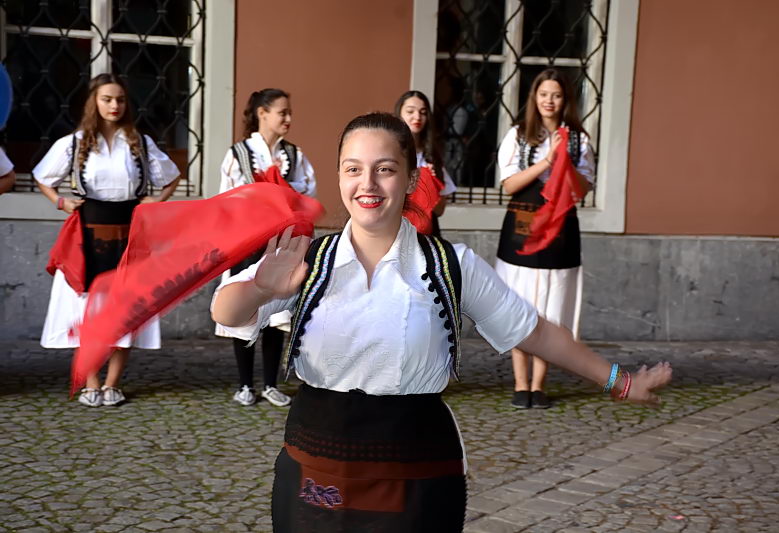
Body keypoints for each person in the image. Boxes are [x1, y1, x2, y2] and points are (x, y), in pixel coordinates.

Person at [211, 112, 671, 532]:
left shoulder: (452, 265)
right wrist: (262, 289)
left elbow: (535, 331)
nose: (367, 183)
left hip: (416, 469)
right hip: (315, 465)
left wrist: (618, 380)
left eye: (384, 169)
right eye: (353, 169)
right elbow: (226, 312)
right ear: (339, 176)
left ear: (411, 177)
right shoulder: (305, 259)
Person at [34, 73, 180, 407]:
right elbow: (43, 177)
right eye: (107, 99)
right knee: (86, 310)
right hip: (88, 234)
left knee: (125, 309)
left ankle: (113, 383)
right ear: (94, 102)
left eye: (120, 99)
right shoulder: (75, 142)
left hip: (130, 233)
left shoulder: (139, 142)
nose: (115, 105)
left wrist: (157, 200)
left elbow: (171, 176)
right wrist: (59, 201)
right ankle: (91, 382)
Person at [495, 68, 596, 410]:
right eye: (543, 94)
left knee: (552, 305)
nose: (549, 101)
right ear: (534, 98)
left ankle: (538, 384)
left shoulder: (579, 140)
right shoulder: (518, 135)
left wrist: (565, 163)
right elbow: (509, 185)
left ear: (565, 100)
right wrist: (547, 162)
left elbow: (581, 190)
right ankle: (520, 382)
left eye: (556, 95)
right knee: (519, 301)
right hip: (523, 224)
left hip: (561, 226)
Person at [217, 88, 316, 407]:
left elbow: (309, 194)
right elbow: (225, 200)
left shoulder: (295, 155)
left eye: (289, 112)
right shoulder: (238, 154)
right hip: (246, 241)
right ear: (262, 113)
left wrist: (284, 191)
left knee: (276, 312)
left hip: (281, 242)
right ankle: (245, 384)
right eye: (282, 112)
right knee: (244, 306)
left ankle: (271, 383)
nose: (288, 118)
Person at [394, 90, 456, 236]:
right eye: (410, 111)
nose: (417, 117)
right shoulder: (390, 151)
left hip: (426, 232)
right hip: (396, 229)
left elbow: (439, 211)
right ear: (399, 114)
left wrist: (433, 182)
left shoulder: (431, 157)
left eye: (423, 112)